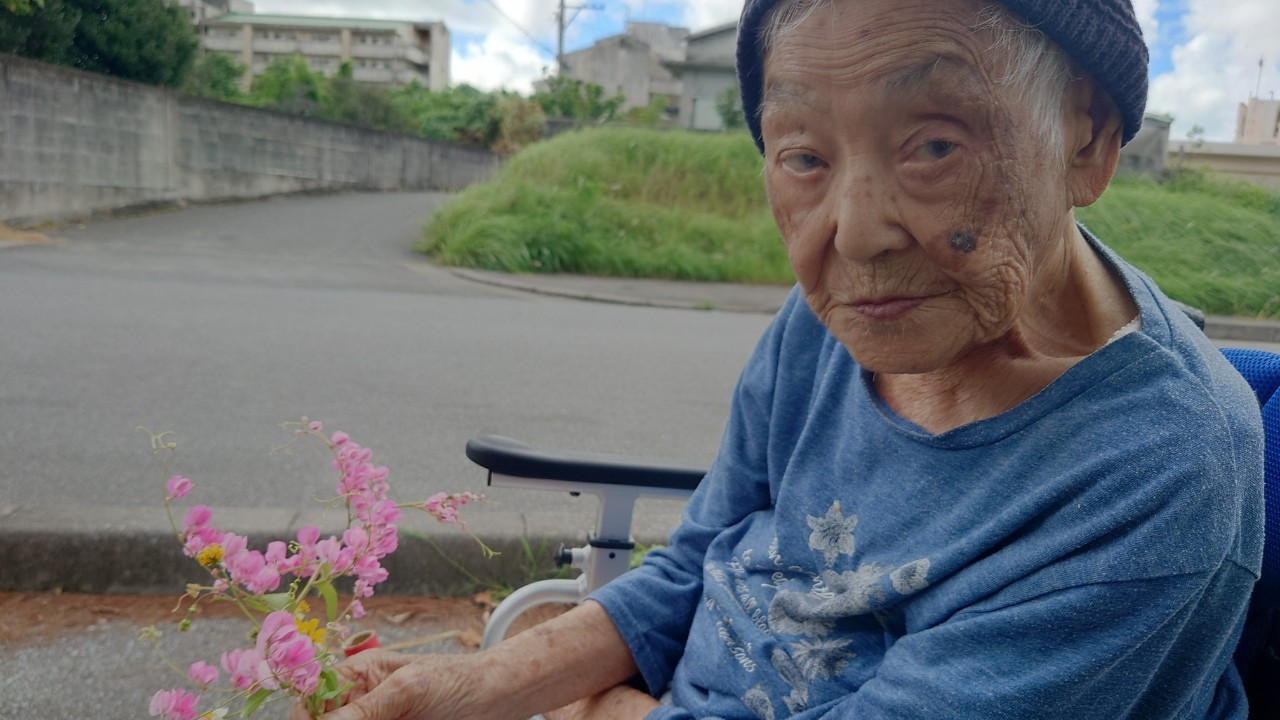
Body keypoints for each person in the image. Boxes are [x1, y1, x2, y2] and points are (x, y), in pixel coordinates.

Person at [298, 0, 1265, 717]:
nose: (856, 232)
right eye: (803, 156)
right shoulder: (843, 318)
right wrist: (458, 689)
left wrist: (592, 708)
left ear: (1088, 141)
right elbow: (693, 567)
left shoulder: (1158, 471)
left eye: (933, 145)